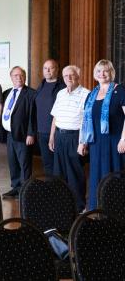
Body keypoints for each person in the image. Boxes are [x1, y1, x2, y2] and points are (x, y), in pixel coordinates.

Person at [78, 59, 125, 210]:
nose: (102, 74)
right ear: (95, 74)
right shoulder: (92, 94)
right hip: (96, 143)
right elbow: (86, 121)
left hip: (115, 142)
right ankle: (96, 209)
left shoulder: (120, 90)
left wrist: (124, 139)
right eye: (99, 71)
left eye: (105, 70)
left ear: (111, 72)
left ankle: (114, 211)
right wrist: (83, 142)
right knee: (97, 175)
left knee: (114, 176)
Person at [49, 65, 89, 211]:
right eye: (66, 76)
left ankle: (79, 207)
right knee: (59, 172)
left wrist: (83, 142)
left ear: (78, 76)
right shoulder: (60, 93)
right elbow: (55, 117)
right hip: (59, 136)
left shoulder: (86, 94)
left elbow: (87, 121)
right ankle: (61, 205)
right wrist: (52, 137)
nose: (69, 78)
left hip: (75, 137)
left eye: (72, 75)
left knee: (75, 173)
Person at [1, 66, 35, 199]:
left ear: (25, 77)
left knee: (24, 163)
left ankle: (25, 191)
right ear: (11, 77)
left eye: (21, 75)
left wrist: (31, 134)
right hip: (10, 134)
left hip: (23, 135)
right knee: (12, 162)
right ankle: (16, 188)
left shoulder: (31, 93)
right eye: (15, 75)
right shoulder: (7, 93)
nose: (18, 78)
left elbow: (33, 115)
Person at [33, 59, 65, 176]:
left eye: (50, 68)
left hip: (56, 132)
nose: (47, 70)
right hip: (41, 132)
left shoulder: (62, 87)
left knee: (58, 164)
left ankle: (60, 189)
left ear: (57, 70)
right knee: (47, 163)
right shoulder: (40, 86)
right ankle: (51, 189)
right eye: (45, 68)